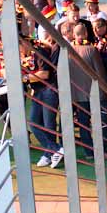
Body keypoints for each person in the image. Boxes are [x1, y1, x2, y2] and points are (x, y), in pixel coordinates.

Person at [26, 30, 64, 168]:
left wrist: (24, 77)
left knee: (49, 125)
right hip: (38, 91)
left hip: (49, 90)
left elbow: (44, 74)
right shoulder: (25, 56)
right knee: (34, 123)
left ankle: (51, 153)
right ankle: (54, 150)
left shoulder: (39, 51)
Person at [69, 24, 107, 157]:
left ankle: (88, 152)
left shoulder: (68, 50)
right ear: (86, 34)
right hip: (95, 93)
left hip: (77, 94)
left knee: (83, 124)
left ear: (74, 35)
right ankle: (101, 149)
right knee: (101, 122)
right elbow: (100, 74)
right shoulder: (91, 50)